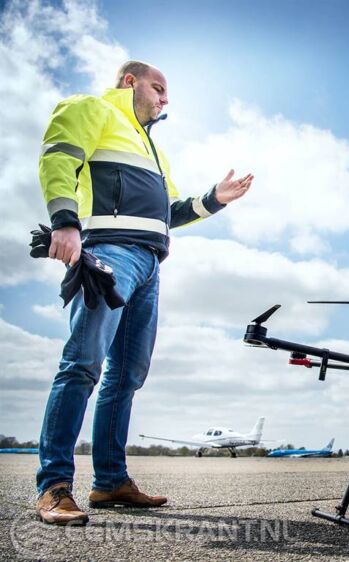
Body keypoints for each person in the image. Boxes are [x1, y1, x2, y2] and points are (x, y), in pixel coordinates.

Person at [34, 61, 253, 525]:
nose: (165, 99)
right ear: (130, 82)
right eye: (159, 88)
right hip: (109, 253)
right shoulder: (92, 108)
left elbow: (170, 212)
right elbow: (59, 157)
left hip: (151, 264)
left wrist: (215, 198)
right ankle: (53, 486)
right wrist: (65, 222)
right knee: (82, 365)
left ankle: (110, 482)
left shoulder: (153, 150)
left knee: (127, 375)